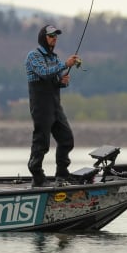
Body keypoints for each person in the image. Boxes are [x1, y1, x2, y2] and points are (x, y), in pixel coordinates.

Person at [24, 24, 81, 187]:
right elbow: (43, 73)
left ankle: (62, 174)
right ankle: (37, 176)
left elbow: (54, 80)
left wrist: (62, 81)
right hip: (41, 105)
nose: (54, 38)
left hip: (55, 105)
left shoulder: (54, 57)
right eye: (51, 36)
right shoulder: (33, 56)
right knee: (42, 143)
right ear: (43, 37)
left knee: (67, 139)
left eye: (56, 36)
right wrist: (65, 65)